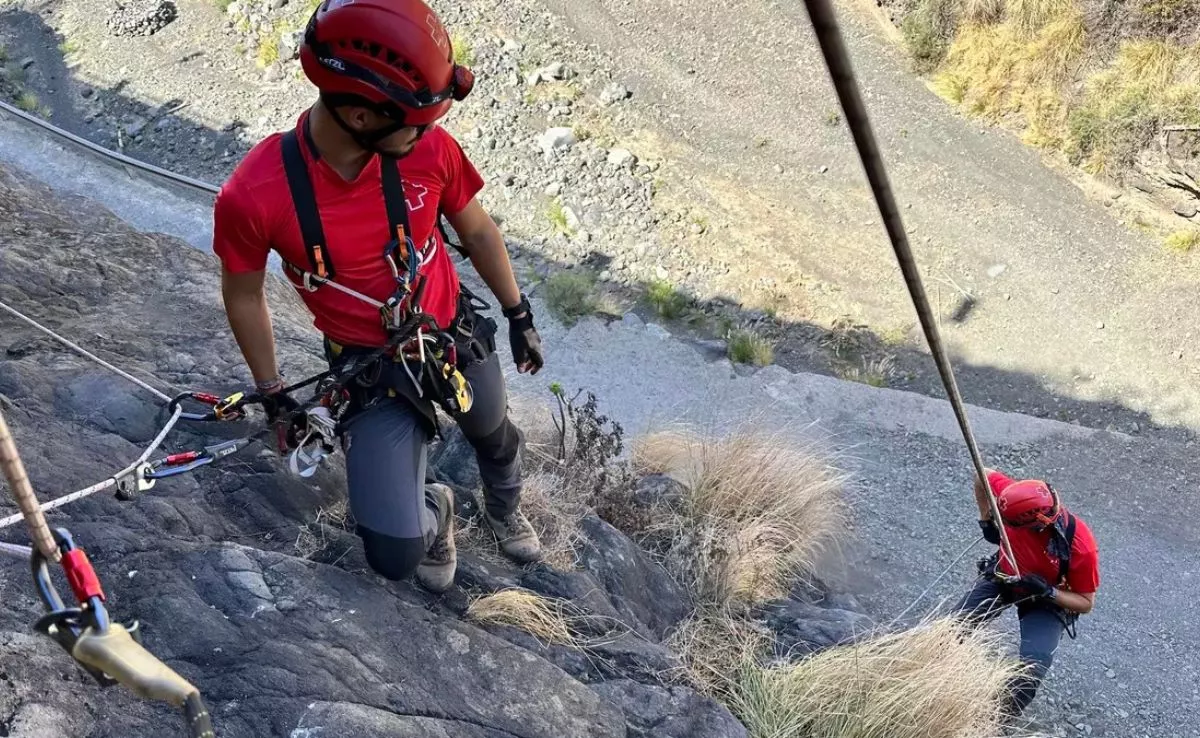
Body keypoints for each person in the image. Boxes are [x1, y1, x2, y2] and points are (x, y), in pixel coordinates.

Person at [211, 0, 545, 593]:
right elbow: (244, 295)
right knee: (395, 556)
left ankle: (503, 505)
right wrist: (272, 398)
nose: (427, 129)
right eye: (415, 118)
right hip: (371, 370)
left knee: (493, 435)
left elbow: (477, 231)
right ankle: (435, 507)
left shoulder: (429, 153)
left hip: (447, 335)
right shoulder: (255, 195)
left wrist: (518, 314)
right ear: (361, 116)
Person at [955, 467, 1100, 719]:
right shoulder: (1013, 498)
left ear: (1035, 525)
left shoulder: (1080, 547)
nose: (1006, 525)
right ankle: (938, 683)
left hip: (1045, 601)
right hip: (1004, 577)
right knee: (951, 631)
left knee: (1031, 669)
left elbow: (1086, 603)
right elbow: (981, 475)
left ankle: (994, 721)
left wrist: (1048, 591)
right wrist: (986, 519)